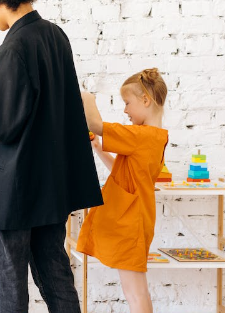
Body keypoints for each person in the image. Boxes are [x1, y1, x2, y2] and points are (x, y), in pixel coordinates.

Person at [0, 0, 103, 312]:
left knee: (10, 287)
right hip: (50, 188)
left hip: (13, 193)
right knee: (56, 275)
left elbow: (2, 127)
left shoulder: (14, 47)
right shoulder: (54, 36)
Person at [78, 69, 169, 313]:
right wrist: (98, 148)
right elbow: (122, 175)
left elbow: (95, 124)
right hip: (133, 223)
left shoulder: (141, 135)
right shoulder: (155, 137)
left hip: (131, 225)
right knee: (134, 292)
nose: (126, 110)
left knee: (135, 293)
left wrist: (86, 96)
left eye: (128, 103)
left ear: (145, 101)